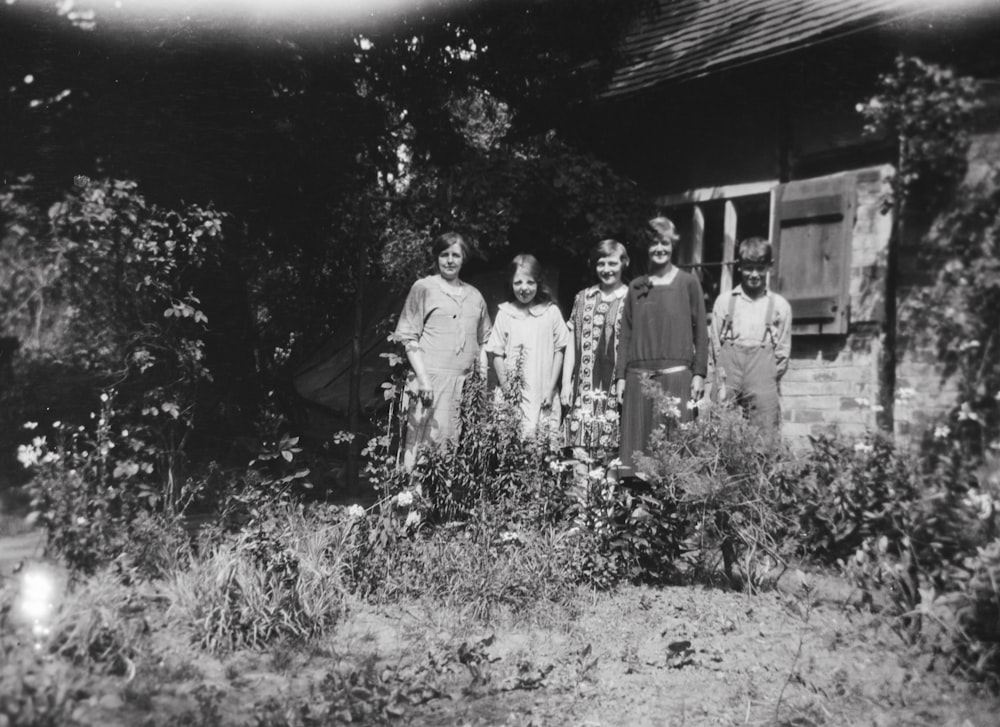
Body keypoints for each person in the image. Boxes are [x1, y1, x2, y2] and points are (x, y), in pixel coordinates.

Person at [615, 216, 709, 475]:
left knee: (676, 450)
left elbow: (701, 330)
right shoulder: (636, 287)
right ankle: (634, 511)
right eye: (654, 243)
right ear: (646, 247)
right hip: (638, 382)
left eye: (664, 243)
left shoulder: (688, 283)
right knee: (636, 455)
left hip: (676, 378)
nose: (659, 249)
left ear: (673, 245)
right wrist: (620, 377)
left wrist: (699, 373)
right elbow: (626, 334)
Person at [394, 231, 492, 470]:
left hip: (466, 384)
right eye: (444, 254)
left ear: (463, 258)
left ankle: (447, 505)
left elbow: (484, 341)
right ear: (436, 258)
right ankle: (415, 503)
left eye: (455, 255)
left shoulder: (475, 295)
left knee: (457, 448)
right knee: (424, 447)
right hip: (431, 383)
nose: (450, 260)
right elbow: (409, 337)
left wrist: (480, 381)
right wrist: (424, 379)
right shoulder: (424, 288)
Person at [709, 236, 792, 434]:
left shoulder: (780, 306)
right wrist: (722, 377)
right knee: (720, 430)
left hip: (762, 376)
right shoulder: (724, 302)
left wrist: (763, 376)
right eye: (748, 268)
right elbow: (715, 348)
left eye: (760, 268)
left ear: (769, 267)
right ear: (739, 267)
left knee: (763, 434)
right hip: (728, 374)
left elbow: (782, 353)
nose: (754, 274)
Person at [486, 254, 570, 437]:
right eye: (518, 283)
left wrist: (550, 387)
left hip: (543, 388)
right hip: (513, 393)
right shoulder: (505, 314)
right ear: (511, 283)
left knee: (542, 443)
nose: (524, 288)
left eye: (530, 282)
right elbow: (497, 354)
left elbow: (560, 350)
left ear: (538, 283)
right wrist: (507, 389)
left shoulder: (550, 312)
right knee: (511, 440)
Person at [562, 239, 630, 453]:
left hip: (614, 389)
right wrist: (565, 382)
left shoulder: (631, 299)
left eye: (612, 264)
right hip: (582, 389)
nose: (606, 270)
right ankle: (580, 486)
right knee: (579, 453)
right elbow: (572, 343)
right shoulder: (583, 297)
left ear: (624, 263)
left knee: (609, 454)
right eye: (601, 264)